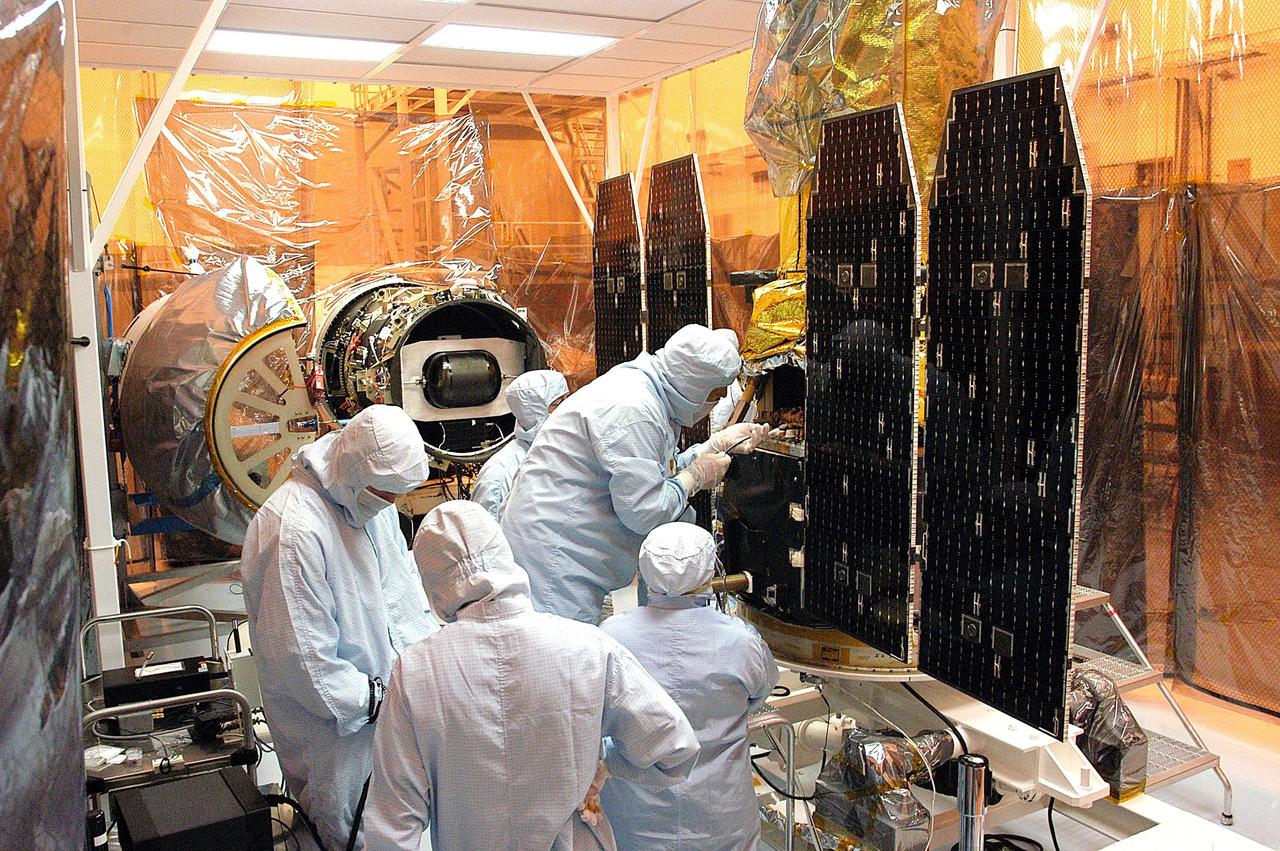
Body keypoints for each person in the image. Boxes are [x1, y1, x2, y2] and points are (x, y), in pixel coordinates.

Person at [365, 501, 701, 850]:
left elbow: (392, 827)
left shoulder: (415, 671)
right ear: (504, 555)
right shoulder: (588, 647)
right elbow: (676, 748)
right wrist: (607, 767)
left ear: (432, 584)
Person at [240, 405, 439, 850]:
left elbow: (402, 599)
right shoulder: (291, 531)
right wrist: (388, 698)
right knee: (352, 838)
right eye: (388, 492)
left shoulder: (369, 502)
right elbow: (310, 670)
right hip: (337, 745)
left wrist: (430, 669)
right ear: (352, 471)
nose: (393, 503)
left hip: (389, 722)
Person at [501, 324, 770, 623]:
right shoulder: (633, 409)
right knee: (561, 659)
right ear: (695, 386)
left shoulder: (645, 391)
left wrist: (710, 447)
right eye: (715, 396)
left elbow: (648, 475)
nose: (715, 404)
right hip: (556, 563)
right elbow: (645, 511)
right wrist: (694, 477)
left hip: (566, 551)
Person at [600, 522, 780, 850]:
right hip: (720, 818)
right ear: (709, 571)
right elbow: (760, 691)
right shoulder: (740, 640)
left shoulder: (612, 637)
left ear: (644, 569)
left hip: (635, 821)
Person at [471, 369, 568, 520]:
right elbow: (487, 536)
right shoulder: (500, 474)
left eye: (568, 398)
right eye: (558, 403)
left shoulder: (569, 453)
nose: (567, 408)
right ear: (534, 412)